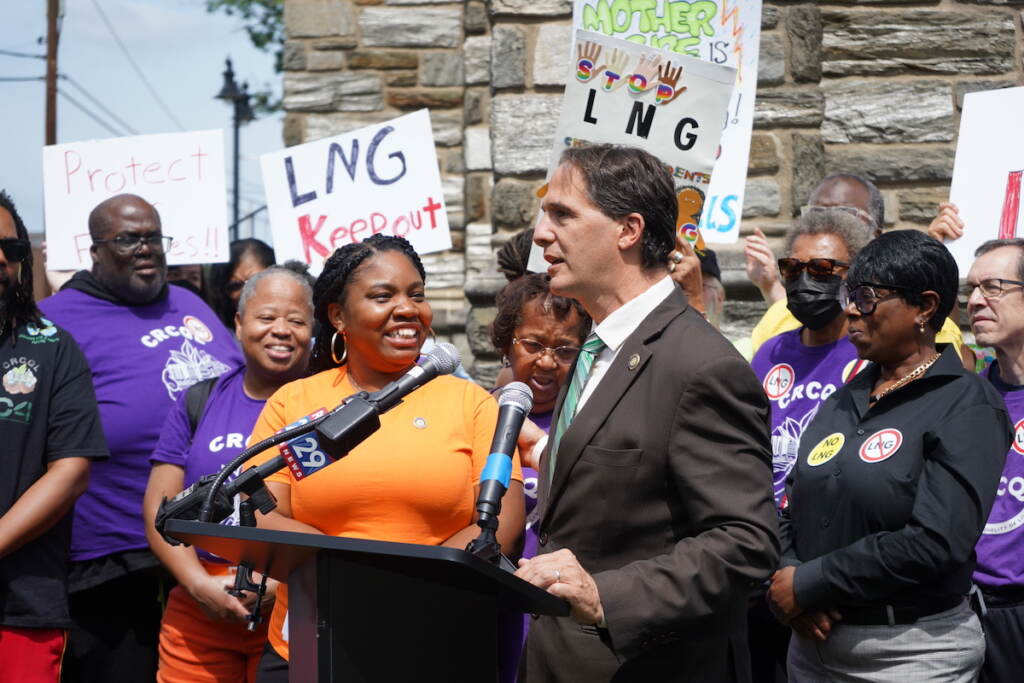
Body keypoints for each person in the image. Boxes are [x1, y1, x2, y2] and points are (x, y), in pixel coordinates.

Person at [515, 144, 779, 682]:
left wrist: (603, 594)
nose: (542, 234)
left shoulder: (700, 366)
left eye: (563, 214)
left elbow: (745, 544)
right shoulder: (595, 347)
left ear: (628, 230)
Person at [246, 234, 525, 681]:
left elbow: (502, 525)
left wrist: (401, 588)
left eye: (417, 295)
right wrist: (350, 579)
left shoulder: (470, 403)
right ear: (338, 315)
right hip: (312, 644)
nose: (408, 309)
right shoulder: (295, 402)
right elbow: (261, 512)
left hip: (438, 641)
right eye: (382, 296)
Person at [769, 229, 1011, 681]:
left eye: (866, 297)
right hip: (812, 645)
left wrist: (813, 581)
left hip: (912, 654)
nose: (849, 309)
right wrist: (789, 578)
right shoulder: (842, 399)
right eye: (849, 294)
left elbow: (936, 541)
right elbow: (791, 503)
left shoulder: (967, 404)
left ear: (924, 307)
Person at [39, 194, 243, 682]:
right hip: (114, 558)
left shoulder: (189, 302)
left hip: (217, 547)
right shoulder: (55, 321)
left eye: (153, 236)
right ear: (94, 249)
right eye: (129, 238)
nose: (146, 248)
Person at [143, 264, 314, 683]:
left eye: (296, 321)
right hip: (200, 609)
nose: (281, 330)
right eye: (266, 317)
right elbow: (160, 507)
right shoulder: (199, 400)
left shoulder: (331, 407)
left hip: (297, 607)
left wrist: (279, 586)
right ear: (238, 324)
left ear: (315, 331)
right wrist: (198, 584)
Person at [747, 209, 869, 683]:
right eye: (791, 270)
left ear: (854, 277)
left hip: (826, 573)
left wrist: (807, 581)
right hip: (763, 558)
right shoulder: (769, 352)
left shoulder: (870, 352)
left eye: (821, 270)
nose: (803, 282)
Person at [0, 191, 108, 682]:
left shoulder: (53, 347)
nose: (2, 259)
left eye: (13, 249)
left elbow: (71, 471)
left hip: (20, 607)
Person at [746, 175, 968, 362]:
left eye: (845, 215)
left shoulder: (910, 318)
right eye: (817, 213)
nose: (828, 224)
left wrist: (934, 268)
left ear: (875, 236)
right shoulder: (777, 321)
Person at [489, 272, 590, 681]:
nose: (547, 361)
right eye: (532, 344)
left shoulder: (591, 422)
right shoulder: (476, 414)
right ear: (505, 343)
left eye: (565, 350)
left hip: (559, 618)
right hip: (488, 610)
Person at [963, 238, 1024, 682]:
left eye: (994, 287)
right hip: (968, 613)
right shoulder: (966, 400)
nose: (976, 300)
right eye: (971, 289)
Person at [208, 239, 276, 331]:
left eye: (255, 281)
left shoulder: (289, 331)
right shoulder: (216, 337)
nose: (245, 292)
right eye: (235, 285)